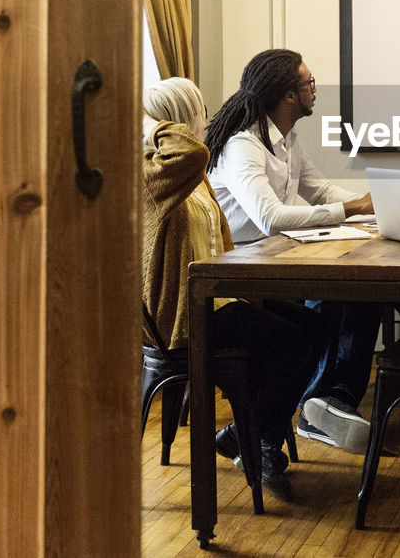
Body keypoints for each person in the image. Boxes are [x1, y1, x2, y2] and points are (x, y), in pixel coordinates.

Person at [141, 77, 323, 502]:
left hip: (216, 297)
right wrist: (157, 123)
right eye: (199, 111)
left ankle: (246, 433)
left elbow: (217, 240)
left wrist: (246, 291)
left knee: (311, 327)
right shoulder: (158, 168)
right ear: (185, 118)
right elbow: (194, 150)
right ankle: (256, 439)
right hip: (186, 312)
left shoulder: (190, 172)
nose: (207, 119)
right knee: (290, 342)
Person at [204, 49, 380, 455]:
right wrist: (352, 209)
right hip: (236, 274)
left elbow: (319, 191)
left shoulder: (287, 140)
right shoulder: (242, 145)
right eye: (309, 84)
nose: (315, 91)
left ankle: (271, 423)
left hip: (269, 263)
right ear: (287, 95)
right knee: (303, 336)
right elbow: (271, 218)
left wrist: (373, 205)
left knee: (329, 320)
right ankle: (263, 431)